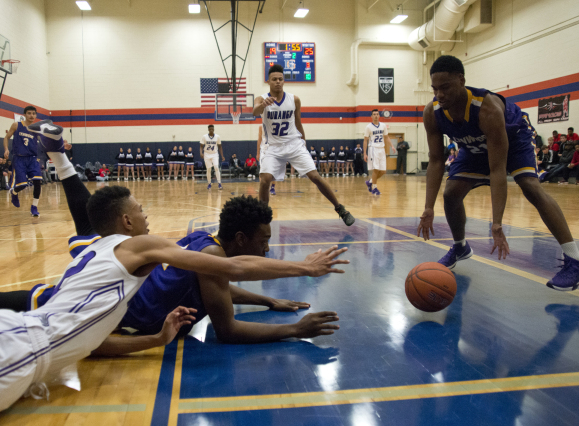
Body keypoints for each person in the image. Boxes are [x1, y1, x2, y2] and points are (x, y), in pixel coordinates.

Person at [0, 120, 348, 411]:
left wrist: (266, 300)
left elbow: (217, 278)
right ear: (126, 221)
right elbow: (233, 276)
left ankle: (58, 153)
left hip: (37, 329)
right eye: (139, 210)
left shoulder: (168, 241)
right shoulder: (157, 248)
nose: (145, 213)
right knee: (45, 290)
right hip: (24, 347)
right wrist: (301, 280)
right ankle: (58, 153)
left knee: (86, 232)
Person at [416, 55, 579, 291]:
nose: (439, 95)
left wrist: (497, 223)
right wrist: (428, 207)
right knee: (451, 193)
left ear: (461, 80)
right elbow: (436, 160)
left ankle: (576, 262)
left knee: (530, 186)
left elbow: (497, 169)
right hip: (475, 146)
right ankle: (460, 246)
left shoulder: (486, 108)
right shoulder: (432, 112)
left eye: (445, 88)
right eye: (435, 89)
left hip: (514, 138)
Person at [253, 64, 354, 226]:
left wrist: (304, 143)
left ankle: (340, 209)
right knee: (264, 180)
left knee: (315, 176)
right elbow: (254, 112)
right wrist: (263, 105)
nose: (277, 82)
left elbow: (299, 123)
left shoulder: (294, 99)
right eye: (274, 79)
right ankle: (262, 221)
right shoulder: (261, 99)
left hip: (294, 144)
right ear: (268, 81)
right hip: (272, 147)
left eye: (280, 79)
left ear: (283, 81)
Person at [3, 106, 43, 217]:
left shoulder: (37, 129)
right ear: (24, 115)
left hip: (33, 158)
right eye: (29, 113)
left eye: (34, 113)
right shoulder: (17, 125)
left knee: (37, 182)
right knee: (22, 185)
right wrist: (6, 149)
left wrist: (63, 146)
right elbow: (6, 137)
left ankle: (34, 207)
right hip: (19, 158)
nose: (32, 115)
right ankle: (14, 193)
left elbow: (46, 143)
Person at [364, 109, 397, 195]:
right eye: (374, 114)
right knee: (376, 169)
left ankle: (370, 182)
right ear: (371, 116)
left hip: (382, 149)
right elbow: (365, 140)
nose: (375, 116)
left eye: (377, 114)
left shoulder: (383, 126)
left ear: (379, 116)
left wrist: (392, 146)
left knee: (383, 171)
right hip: (373, 148)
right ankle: (374, 188)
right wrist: (365, 153)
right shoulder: (368, 127)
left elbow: (386, 137)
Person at [200, 125, 224, 190]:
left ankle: (219, 183)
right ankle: (209, 183)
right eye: (210, 129)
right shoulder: (204, 137)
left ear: (214, 129)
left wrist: (222, 156)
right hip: (207, 154)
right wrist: (201, 153)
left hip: (215, 154)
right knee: (209, 169)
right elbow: (201, 146)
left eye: (212, 129)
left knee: (216, 167)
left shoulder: (217, 137)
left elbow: (220, 147)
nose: (211, 130)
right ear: (208, 130)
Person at [257, 125, 275, 195]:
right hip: (264, 151)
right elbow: (259, 139)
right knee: (262, 171)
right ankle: (262, 188)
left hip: (273, 150)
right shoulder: (261, 127)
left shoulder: (274, 124)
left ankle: (272, 187)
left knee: (273, 171)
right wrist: (257, 153)